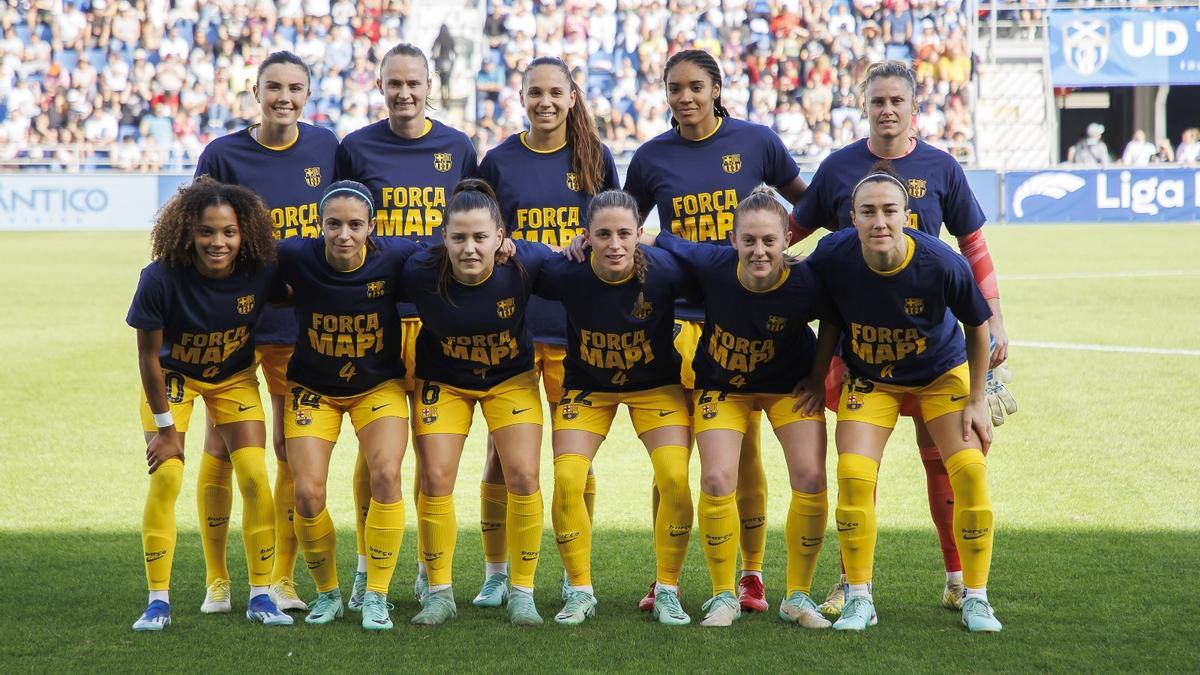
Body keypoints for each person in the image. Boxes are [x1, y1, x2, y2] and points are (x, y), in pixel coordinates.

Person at [791, 60, 1014, 616]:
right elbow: (792, 232)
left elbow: (973, 246)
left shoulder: (941, 167)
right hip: (858, 344)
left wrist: (997, 318)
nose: (887, 111)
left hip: (931, 341)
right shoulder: (839, 166)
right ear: (864, 107)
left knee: (943, 463)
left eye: (897, 102)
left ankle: (959, 577)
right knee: (858, 466)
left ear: (915, 108)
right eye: (877, 102)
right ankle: (851, 582)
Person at [622, 48, 808, 614]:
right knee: (673, 459)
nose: (685, 97)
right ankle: (666, 575)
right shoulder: (652, 157)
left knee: (745, 453)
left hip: (747, 318)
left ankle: (750, 577)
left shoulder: (757, 141)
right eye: (674, 88)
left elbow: (809, 202)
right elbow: (628, 230)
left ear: (717, 87)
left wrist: (777, 256)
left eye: (695, 87)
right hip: (679, 320)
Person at [192, 50, 339, 615]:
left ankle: (279, 578)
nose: (284, 96)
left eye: (295, 87)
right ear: (256, 92)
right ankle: (217, 581)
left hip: (293, 325)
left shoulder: (327, 148)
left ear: (308, 93)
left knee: (285, 448)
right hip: (230, 324)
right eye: (273, 86)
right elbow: (196, 235)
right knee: (223, 445)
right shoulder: (223, 154)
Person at [334, 42, 480, 609]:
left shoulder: (457, 147)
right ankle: (368, 564)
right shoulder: (356, 148)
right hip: (375, 319)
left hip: (439, 318)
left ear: (429, 85)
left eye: (413, 83)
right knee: (377, 454)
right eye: (393, 84)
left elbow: (475, 224)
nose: (404, 93)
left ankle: (427, 566)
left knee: (430, 452)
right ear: (380, 87)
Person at [474, 55, 620, 607]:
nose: (545, 102)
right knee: (500, 456)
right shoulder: (498, 161)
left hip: (576, 328)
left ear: (573, 97)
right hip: (510, 325)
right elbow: (481, 238)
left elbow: (615, 227)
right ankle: (495, 572)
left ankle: (572, 573)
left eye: (556, 93)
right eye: (535, 93)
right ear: (520, 97)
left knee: (573, 462)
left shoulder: (596, 157)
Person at [653, 188, 830, 629]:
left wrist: (818, 373)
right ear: (732, 240)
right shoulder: (713, 265)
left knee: (810, 475)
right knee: (716, 477)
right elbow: (657, 239)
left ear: (787, 238)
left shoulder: (807, 282)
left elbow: (836, 318)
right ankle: (722, 595)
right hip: (723, 386)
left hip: (789, 387)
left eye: (769, 240)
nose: (759, 250)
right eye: (748, 240)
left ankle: (798, 596)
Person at [127, 177, 290, 631]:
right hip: (174, 378)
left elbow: (307, 286)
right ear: (187, 232)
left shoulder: (261, 270)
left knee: (256, 475)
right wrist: (163, 428)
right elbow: (147, 356)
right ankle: (158, 601)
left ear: (245, 234)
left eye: (228, 232)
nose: (218, 242)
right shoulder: (159, 278)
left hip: (233, 378)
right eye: (206, 231)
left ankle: (261, 595)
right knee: (167, 477)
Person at [538, 190, 695, 627]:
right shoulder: (566, 272)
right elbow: (522, 261)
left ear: (640, 234)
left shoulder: (665, 271)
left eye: (624, 233)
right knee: (568, 477)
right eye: (602, 234)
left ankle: (667, 588)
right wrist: (514, 244)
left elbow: (719, 273)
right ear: (585, 236)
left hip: (656, 387)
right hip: (588, 388)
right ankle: (579, 588)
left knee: (675, 477)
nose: (614, 244)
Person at [402, 179, 552, 626]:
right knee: (435, 475)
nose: (470, 248)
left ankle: (521, 591)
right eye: (459, 237)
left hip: (510, 379)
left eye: (481, 237)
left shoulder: (526, 262)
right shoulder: (417, 270)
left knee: (524, 474)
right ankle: (439, 592)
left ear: (500, 238)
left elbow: (580, 265)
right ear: (443, 237)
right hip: (443, 382)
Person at [275, 181, 420, 630]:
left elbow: (456, 253)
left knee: (386, 474)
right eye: (333, 224)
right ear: (319, 226)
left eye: (355, 225)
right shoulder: (295, 256)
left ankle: (376, 594)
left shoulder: (397, 257)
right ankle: (328, 594)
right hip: (313, 390)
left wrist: (510, 246)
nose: (343, 234)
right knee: (307, 491)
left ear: (371, 227)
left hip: (378, 387)